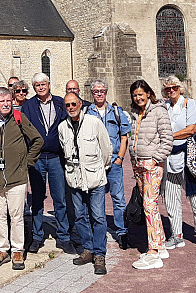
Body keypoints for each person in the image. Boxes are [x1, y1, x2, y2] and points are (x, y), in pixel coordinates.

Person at [0, 87, 43, 270]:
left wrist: (26, 163)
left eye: (8, 100)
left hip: (17, 178)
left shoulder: (19, 119)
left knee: (17, 216)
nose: (5, 104)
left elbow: (37, 140)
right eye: (2, 101)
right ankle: (2, 249)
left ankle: (17, 250)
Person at [59, 93, 112, 275]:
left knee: (98, 217)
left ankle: (99, 254)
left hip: (95, 177)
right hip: (74, 179)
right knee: (80, 216)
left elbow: (106, 148)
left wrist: (101, 169)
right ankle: (88, 249)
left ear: (80, 104)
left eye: (74, 104)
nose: (71, 107)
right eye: (67, 105)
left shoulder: (94, 122)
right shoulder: (62, 127)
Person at [161, 76, 196, 251]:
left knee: (195, 196)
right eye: (168, 89)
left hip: (188, 157)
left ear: (180, 88)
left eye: (174, 88)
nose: (171, 91)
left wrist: (169, 136)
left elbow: (192, 129)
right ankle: (176, 235)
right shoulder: (165, 107)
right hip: (169, 158)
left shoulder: (189, 104)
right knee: (171, 199)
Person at [21, 73, 72, 253]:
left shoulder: (59, 103)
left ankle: (63, 236)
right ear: (34, 88)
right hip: (37, 159)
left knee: (60, 199)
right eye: (37, 85)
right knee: (37, 199)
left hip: (56, 158)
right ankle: (37, 236)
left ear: (49, 85)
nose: (41, 87)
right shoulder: (28, 106)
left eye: (43, 84)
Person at [128, 79, 173, 270]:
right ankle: (160, 244)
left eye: (141, 94)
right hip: (138, 165)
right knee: (149, 205)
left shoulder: (159, 111)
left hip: (152, 165)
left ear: (148, 94)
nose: (138, 97)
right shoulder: (135, 113)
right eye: (135, 95)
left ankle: (153, 252)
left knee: (149, 206)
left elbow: (167, 140)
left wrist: (155, 159)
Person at [86, 79, 131, 249]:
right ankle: (98, 231)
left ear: (106, 92)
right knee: (96, 199)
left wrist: (120, 158)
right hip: (95, 163)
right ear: (92, 93)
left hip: (114, 162)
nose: (99, 94)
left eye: (102, 91)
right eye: (96, 91)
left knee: (118, 199)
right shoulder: (87, 112)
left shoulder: (116, 112)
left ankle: (122, 232)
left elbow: (124, 135)